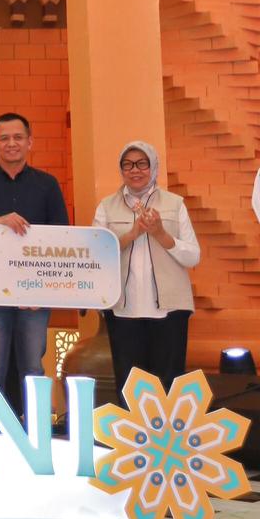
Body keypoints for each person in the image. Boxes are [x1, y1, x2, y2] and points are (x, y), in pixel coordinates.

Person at [0, 112, 70, 416]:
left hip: (34, 294)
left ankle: (34, 429)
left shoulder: (47, 184)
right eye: (4, 138)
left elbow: (61, 234)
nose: (11, 143)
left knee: (33, 365)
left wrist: (44, 289)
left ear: (30, 142)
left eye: (18, 137)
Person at [92, 142, 199, 391]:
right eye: (127, 164)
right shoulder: (106, 206)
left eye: (142, 163)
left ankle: (166, 420)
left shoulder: (175, 204)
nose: (135, 170)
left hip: (169, 310)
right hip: (123, 310)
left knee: (168, 387)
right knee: (130, 388)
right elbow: (96, 256)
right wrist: (132, 234)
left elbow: (193, 256)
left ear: (153, 167)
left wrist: (161, 234)